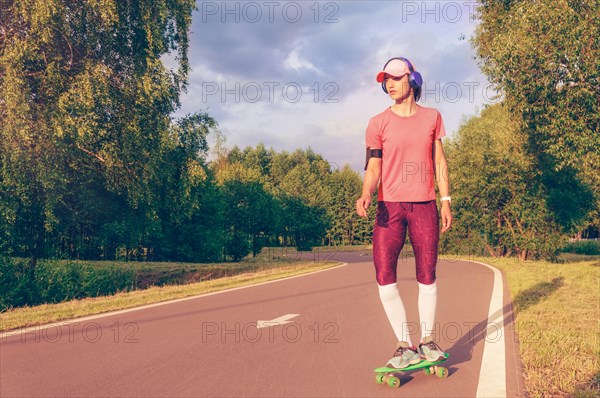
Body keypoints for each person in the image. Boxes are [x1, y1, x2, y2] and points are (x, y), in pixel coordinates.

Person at [356, 57, 453, 369]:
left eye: (395, 78)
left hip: (424, 206)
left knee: (427, 274)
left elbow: (440, 161)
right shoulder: (377, 123)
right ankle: (404, 345)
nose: (389, 84)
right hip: (389, 208)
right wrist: (366, 192)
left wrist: (446, 200)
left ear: (413, 79)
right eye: (386, 80)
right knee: (384, 276)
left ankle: (427, 341)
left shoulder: (432, 118)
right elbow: (374, 166)